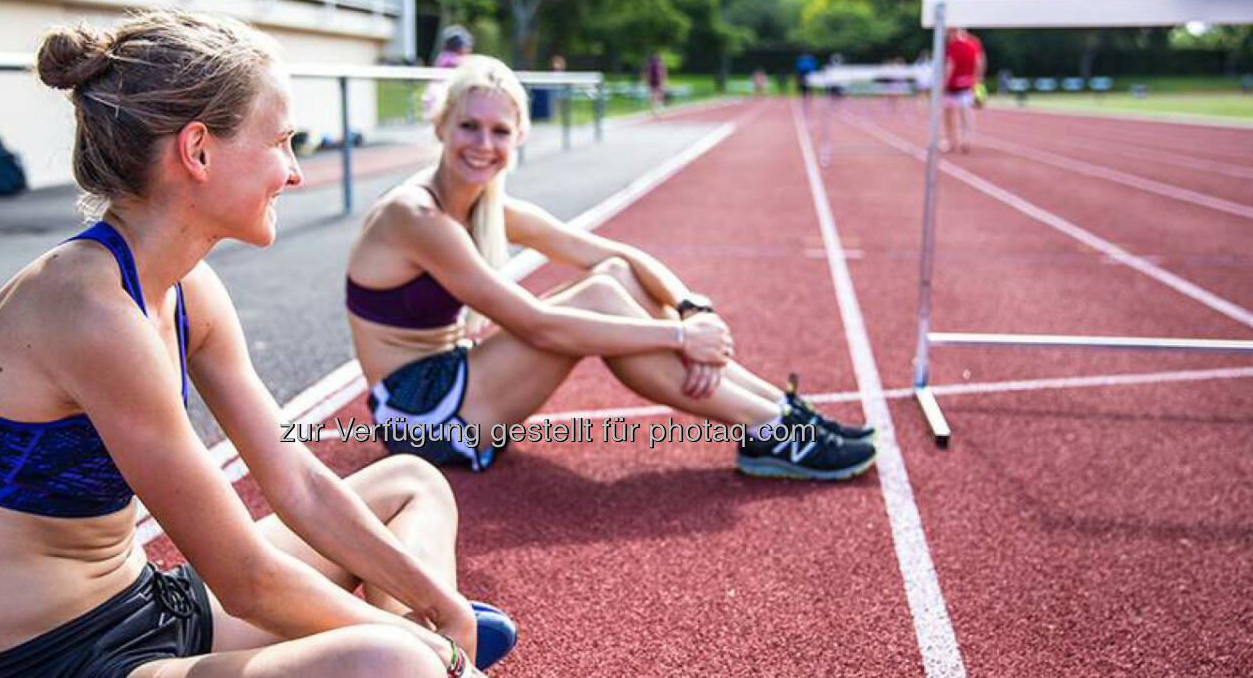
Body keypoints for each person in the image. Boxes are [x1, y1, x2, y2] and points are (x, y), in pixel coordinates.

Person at [0, 9, 601, 678]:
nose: (292, 170)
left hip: (154, 610)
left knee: (412, 484)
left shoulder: (187, 288)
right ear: (198, 150)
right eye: (280, 141)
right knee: (403, 674)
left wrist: (440, 603)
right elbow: (244, 577)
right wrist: (439, 659)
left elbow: (295, 479)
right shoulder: (87, 311)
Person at [344, 55, 877, 481]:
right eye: (469, 127)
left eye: (499, 132)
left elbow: (616, 255)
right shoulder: (416, 216)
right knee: (598, 298)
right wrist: (677, 335)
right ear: (441, 127)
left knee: (615, 279)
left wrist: (692, 308)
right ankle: (772, 428)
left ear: (519, 137)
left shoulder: (484, 204)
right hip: (420, 418)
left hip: (456, 386)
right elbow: (536, 324)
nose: (484, 145)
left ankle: (778, 412)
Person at [942, 27, 986, 153]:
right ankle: (966, 139)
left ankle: (951, 141)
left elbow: (950, 65)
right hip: (968, 84)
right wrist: (977, 79)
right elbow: (979, 62)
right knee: (966, 114)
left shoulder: (953, 46)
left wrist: (943, 84)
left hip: (952, 86)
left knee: (949, 115)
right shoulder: (973, 44)